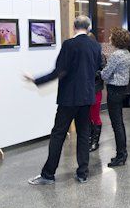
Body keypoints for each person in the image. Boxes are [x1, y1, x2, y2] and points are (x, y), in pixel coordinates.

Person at [27, 15, 103, 185]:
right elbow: (98, 67)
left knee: (58, 134)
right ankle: (83, 173)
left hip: (69, 98)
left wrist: (37, 80)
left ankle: (48, 174)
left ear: (74, 27)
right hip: (87, 97)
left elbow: (59, 71)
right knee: (83, 134)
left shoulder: (69, 44)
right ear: (89, 28)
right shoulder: (95, 45)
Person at [101, 27, 130, 167]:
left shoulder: (116, 55)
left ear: (116, 39)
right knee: (119, 123)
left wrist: (100, 72)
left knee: (117, 124)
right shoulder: (126, 52)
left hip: (114, 91)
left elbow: (105, 74)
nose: (109, 38)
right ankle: (122, 153)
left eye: (111, 36)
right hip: (122, 90)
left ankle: (121, 155)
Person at [88, 33, 106, 153]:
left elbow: (103, 71)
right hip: (84, 90)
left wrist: (92, 74)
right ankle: (89, 138)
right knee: (87, 116)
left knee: (94, 115)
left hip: (95, 89)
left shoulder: (100, 55)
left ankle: (95, 141)